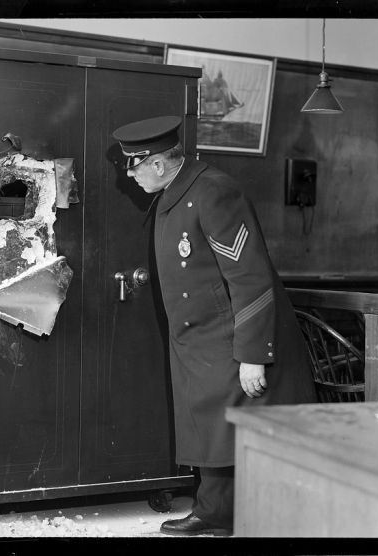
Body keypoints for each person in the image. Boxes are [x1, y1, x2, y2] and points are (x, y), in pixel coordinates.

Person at [112, 115, 317, 536]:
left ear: (156, 163)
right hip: (199, 337)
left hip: (231, 336)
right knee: (210, 427)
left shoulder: (213, 192)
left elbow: (251, 277)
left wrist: (253, 355)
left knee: (231, 425)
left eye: (133, 165)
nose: (129, 175)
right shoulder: (175, 190)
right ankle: (216, 512)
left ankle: (231, 514)